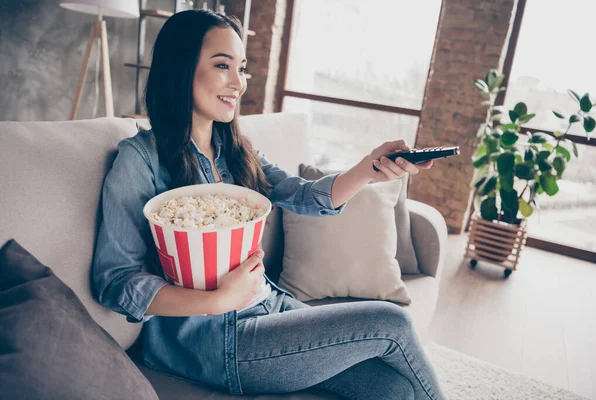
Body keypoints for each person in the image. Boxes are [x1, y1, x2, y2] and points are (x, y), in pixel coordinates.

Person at [92, 9, 444, 400]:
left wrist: (368, 169)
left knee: (393, 389)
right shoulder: (139, 160)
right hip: (215, 342)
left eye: (241, 69)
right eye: (222, 65)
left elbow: (304, 196)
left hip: (271, 307)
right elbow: (115, 282)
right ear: (181, 67)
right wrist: (218, 300)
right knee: (391, 322)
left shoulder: (236, 152)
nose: (237, 83)